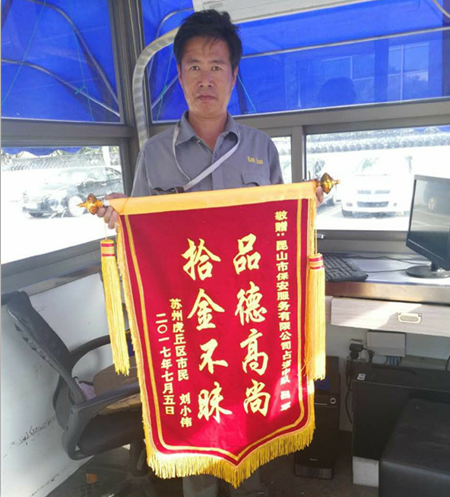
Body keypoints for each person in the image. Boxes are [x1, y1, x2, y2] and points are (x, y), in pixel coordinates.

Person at [98, 9, 323, 496]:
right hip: (190, 316)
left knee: (249, 420)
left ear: (233, 76)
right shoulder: (155, 155)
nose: (206, 79)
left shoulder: (262, 148)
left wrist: (305, 206)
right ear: (180, 77)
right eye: (194, 66)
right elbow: (142, 242)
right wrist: (121, 219)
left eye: (216, 66)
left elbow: (278, 232)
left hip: (246, 315)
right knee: (198, 438)